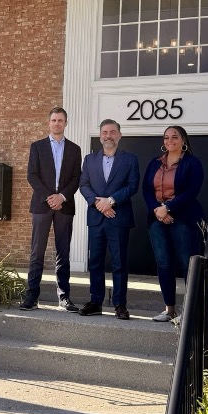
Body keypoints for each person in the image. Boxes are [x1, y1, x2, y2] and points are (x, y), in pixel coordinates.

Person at [21, 107, 82, 311]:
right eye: (54, 120)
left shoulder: (74, 149)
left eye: (60, 120)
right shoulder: (37, 147)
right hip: (42, 205)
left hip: (65, 206)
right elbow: (32, 175)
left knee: (63, 252)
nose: (57, 123)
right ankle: (32, 296)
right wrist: (50, 197)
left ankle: (64, 297)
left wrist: (62, 197)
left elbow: (76, 178)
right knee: (37, 252)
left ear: (66, 123)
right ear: (49, 123)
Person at [141, 125, 205, 322]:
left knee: (187, 263)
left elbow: (192, 192)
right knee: (164, 263)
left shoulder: (192, 163)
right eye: (166, 137)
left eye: (174, 137)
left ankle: (191, 312)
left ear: (183, 140)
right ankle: (169, 310)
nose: (170, 140)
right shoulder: (155, 163)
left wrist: (168, 208)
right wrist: (158, 210)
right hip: (157, 218)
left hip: (183, 217)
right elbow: (146, 190)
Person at [78, 119, 139, 320]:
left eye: (112, 132)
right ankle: (95, 302)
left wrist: (111, 201)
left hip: (118, 218)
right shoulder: (89, 159)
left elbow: (132, 186)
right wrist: (98, 203)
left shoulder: (130, 159)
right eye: (104, 132)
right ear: (100, 136)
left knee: (119, 262)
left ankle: (120, 304)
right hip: (97, 217)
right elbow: (84, 185)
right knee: (95, 262)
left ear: (119, 135)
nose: (108, 136)